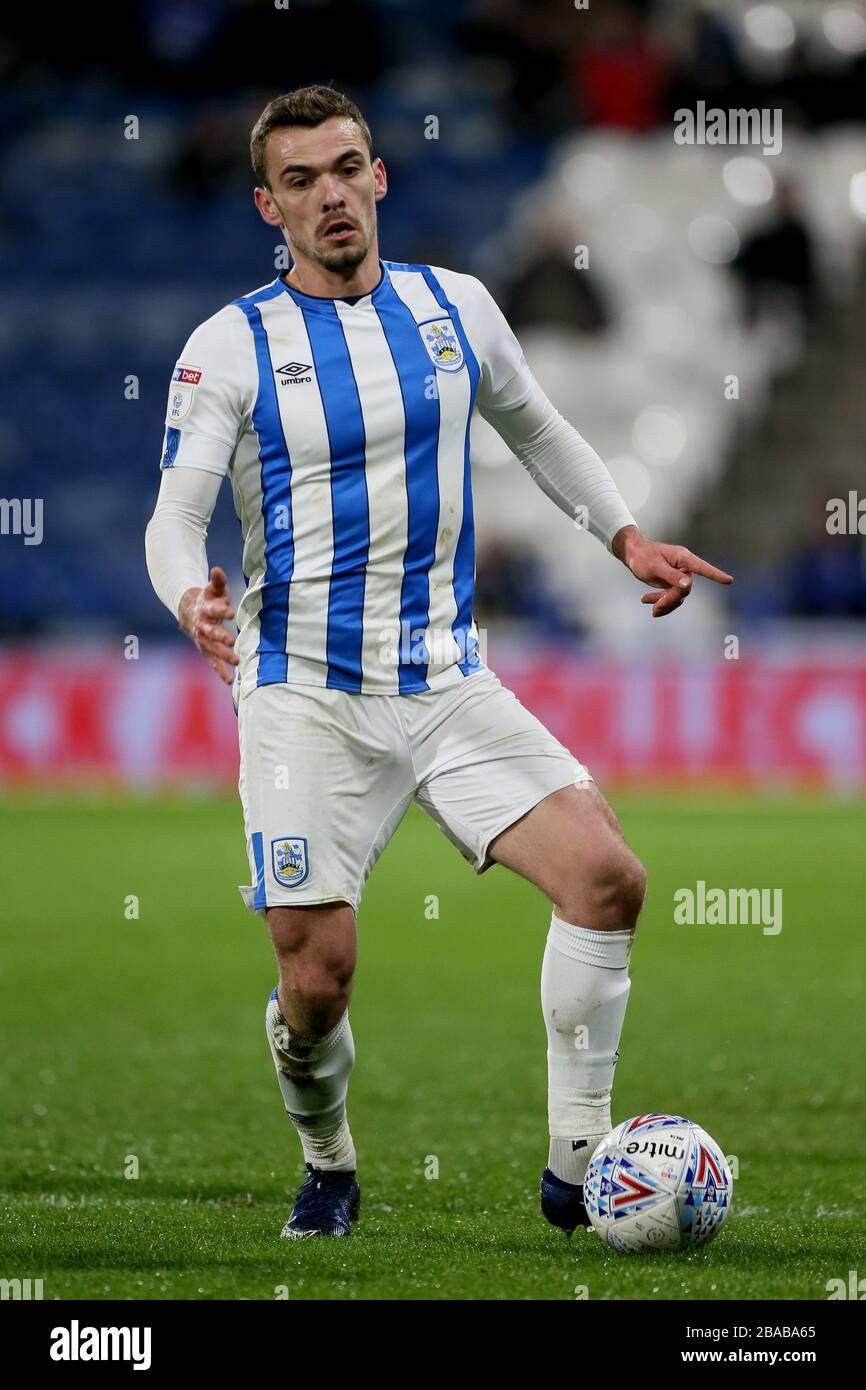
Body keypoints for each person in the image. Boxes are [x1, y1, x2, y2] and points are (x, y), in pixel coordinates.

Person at [145, 84, 732, 1241]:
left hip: (449, 683)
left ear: (380, 177)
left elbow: (538, 426)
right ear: (270, 206)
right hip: (303, 698)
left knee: (608, 879)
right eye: (301, 181)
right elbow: (175, 517)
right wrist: (189, 598)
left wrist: (624, 535)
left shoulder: (453, 308)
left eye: (346, 167)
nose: (330, 195)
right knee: (316, 984)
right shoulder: (230, 345)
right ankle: (327, 1161)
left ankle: (579, 1173)